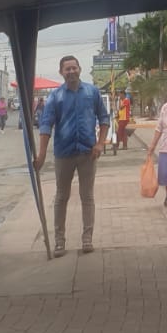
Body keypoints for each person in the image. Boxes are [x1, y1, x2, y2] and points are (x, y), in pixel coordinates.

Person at [32, 55, 111, 258]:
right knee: (61, 197)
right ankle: (59, 242)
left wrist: (100, 143)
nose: (71, 72)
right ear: (61, 72)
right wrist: (41, 154)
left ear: (79, 69)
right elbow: (46, 125)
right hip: (63, 154)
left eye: (74, 68)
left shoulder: (92, 92)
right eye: (67, 69)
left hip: (87, 153)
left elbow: (104, 118)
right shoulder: (55, 96)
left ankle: (87, 239)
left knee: (87, 197)